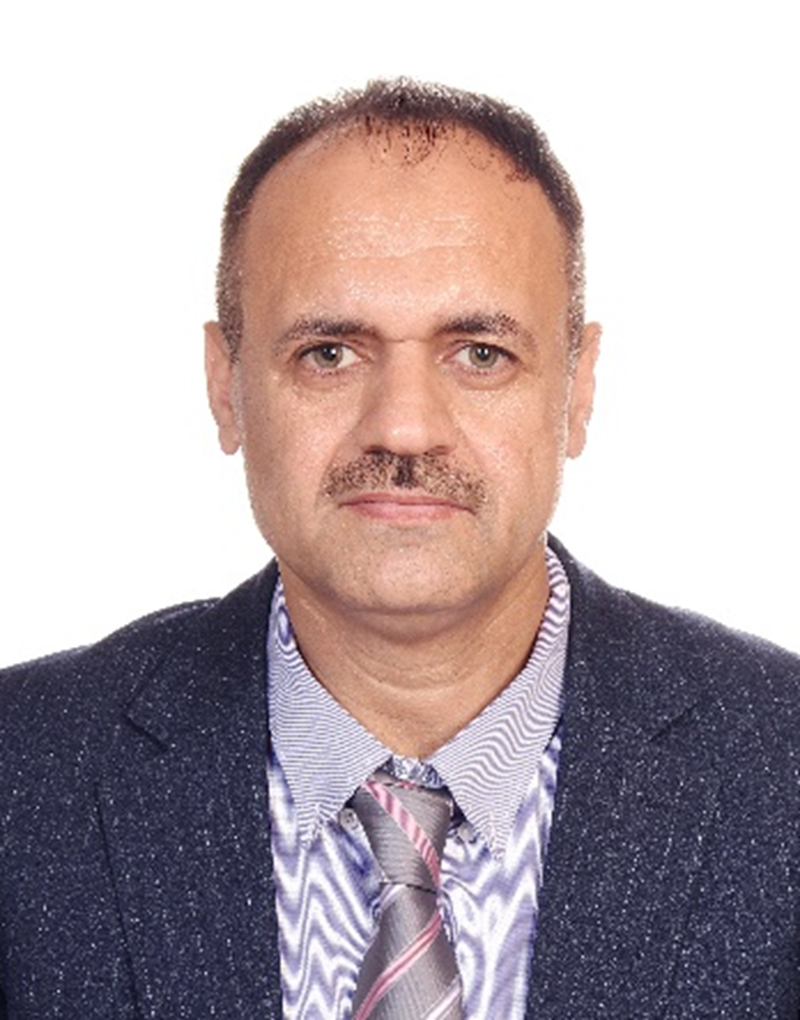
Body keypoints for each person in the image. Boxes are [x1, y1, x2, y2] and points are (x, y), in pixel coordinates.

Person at [1, 79, 798, 1020]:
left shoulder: (778, 759)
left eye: (481, 353)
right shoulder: (25, 768)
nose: (406, 428)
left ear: (578, 389)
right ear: (226, 385)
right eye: (329, 353)